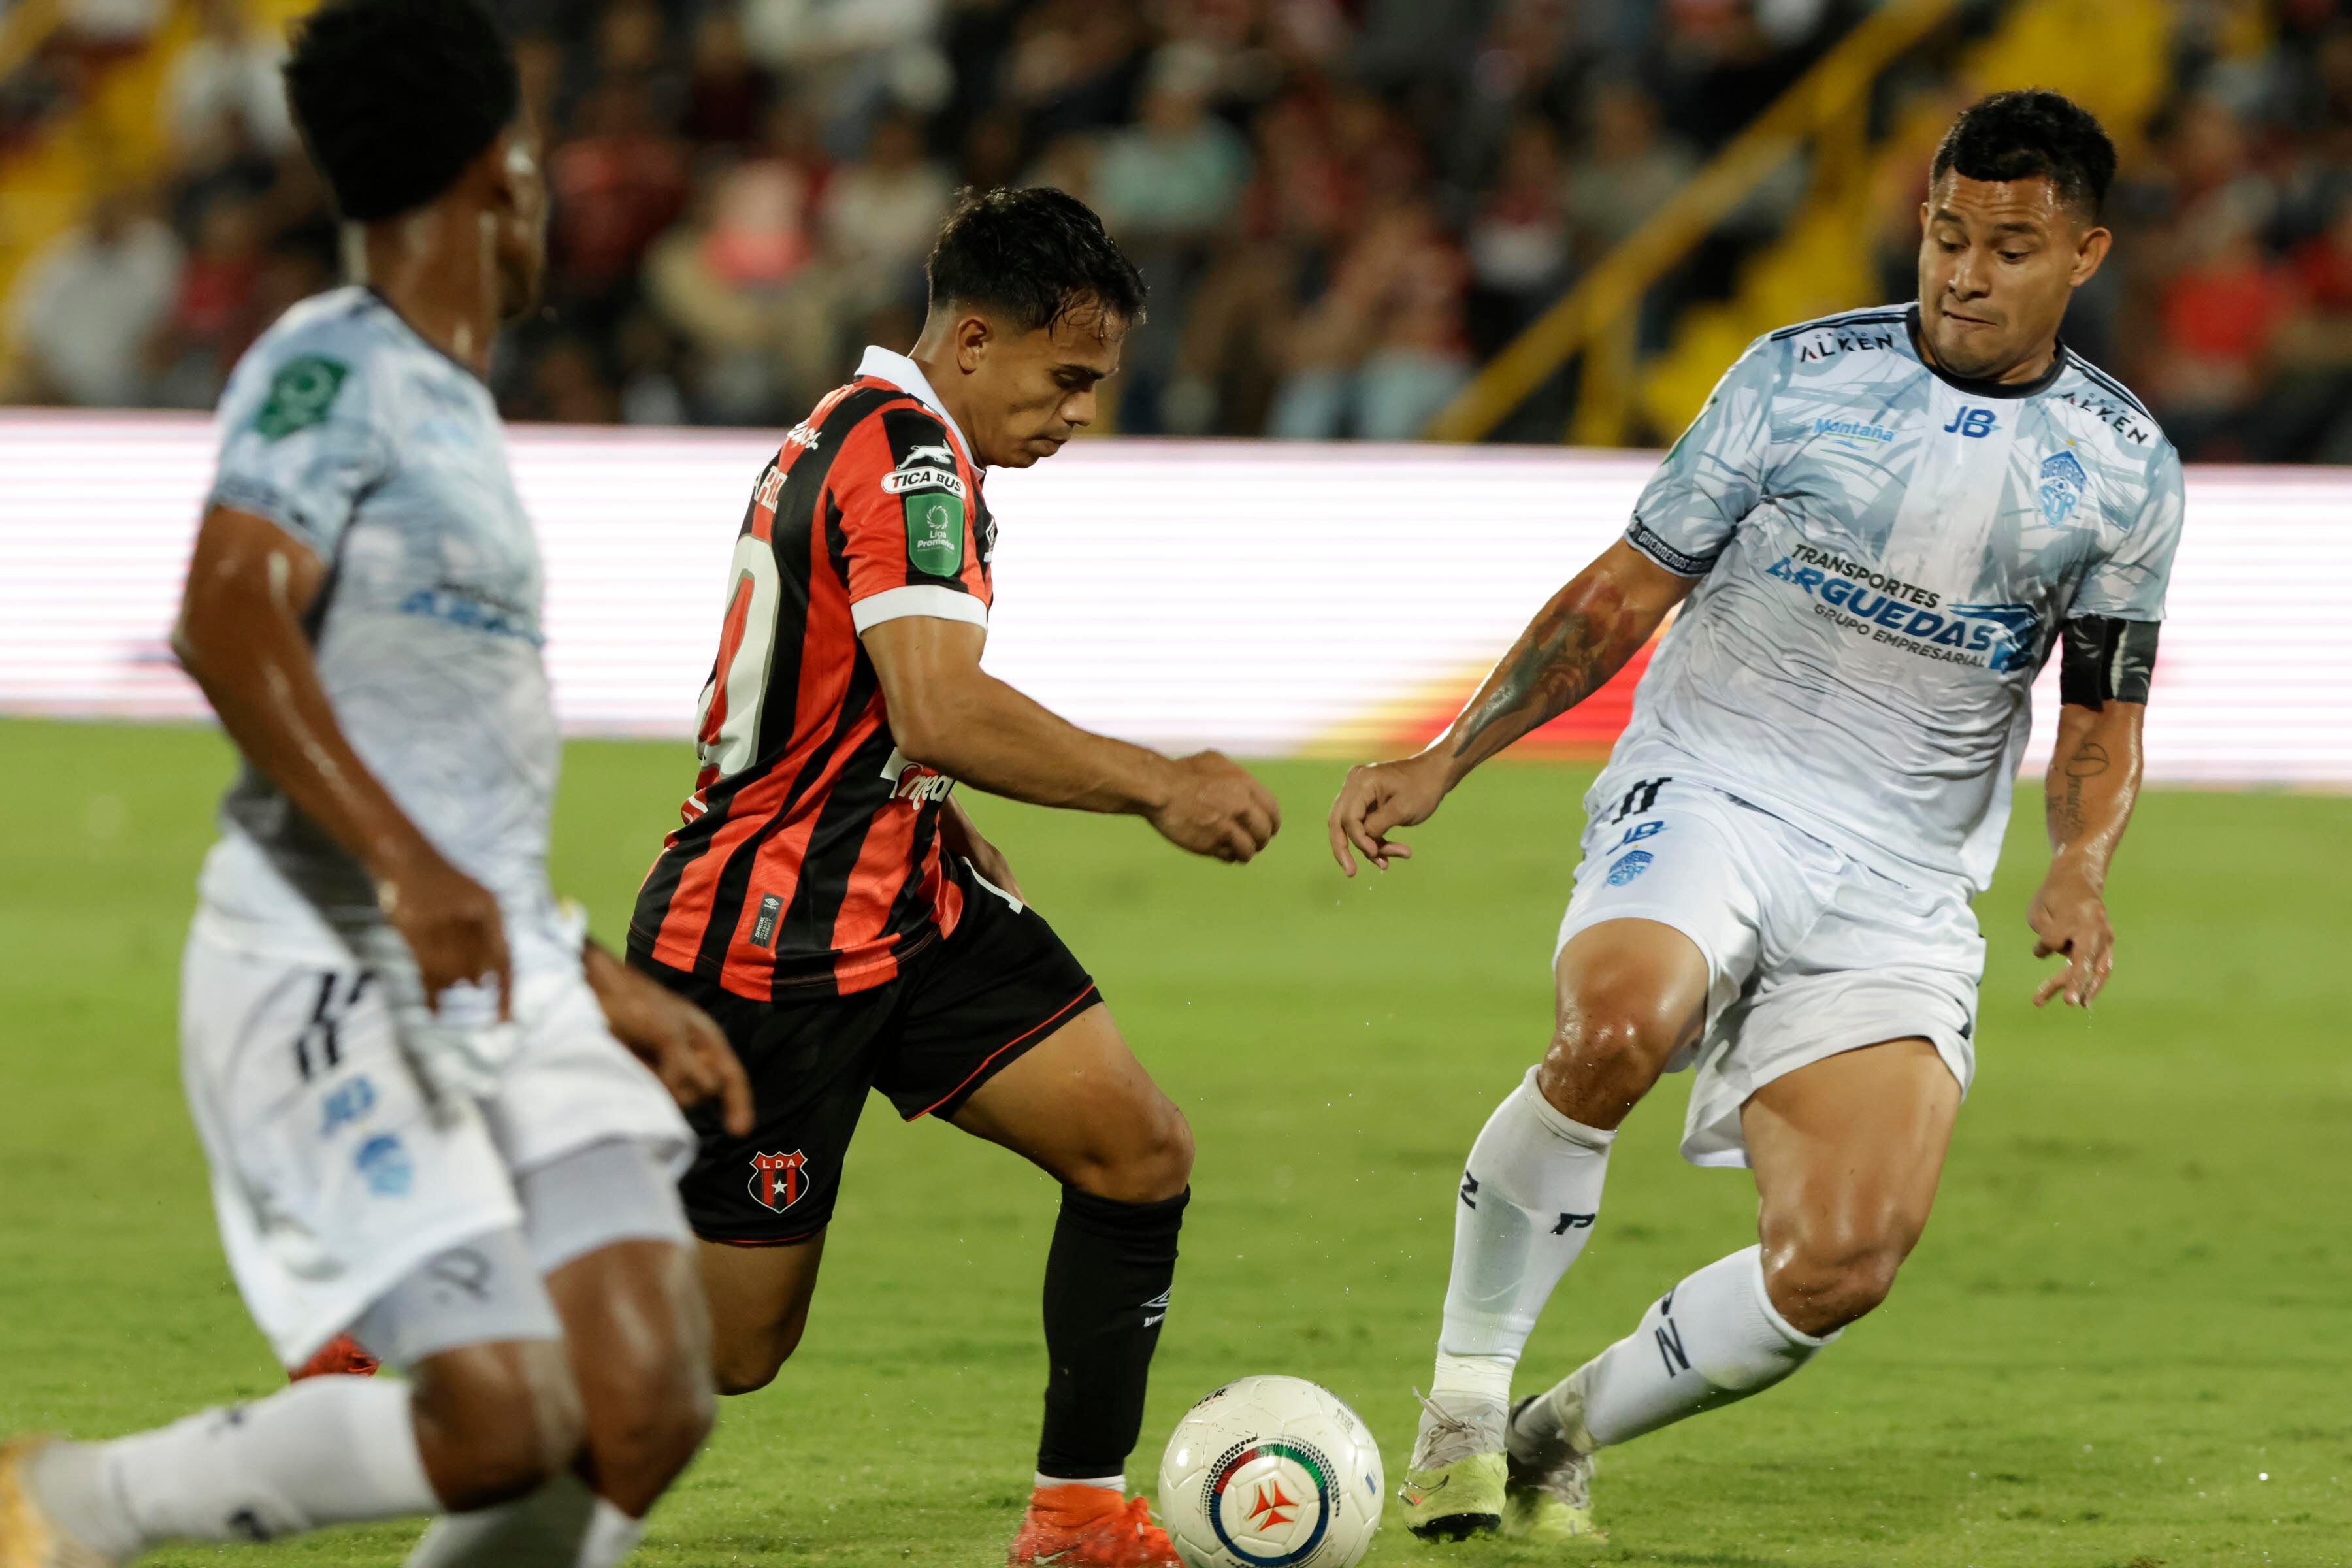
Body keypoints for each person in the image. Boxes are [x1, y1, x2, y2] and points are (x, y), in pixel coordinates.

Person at [1328, 89, 2182, 1543]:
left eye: (2010, 248)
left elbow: (2102, 710)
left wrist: (2081, 869)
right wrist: (1450, 753)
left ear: (2085, 256)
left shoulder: (2124, 469)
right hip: (1717, 781)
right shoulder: (1798, 376)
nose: (1966, 272)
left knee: (1844, 1261)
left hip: (1903, 874)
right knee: (1612, 1031)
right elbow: (1623, 592)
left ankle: (1553, 1436)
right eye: (1946, 233)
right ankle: (1464, 1406)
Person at [0, 3, 751, 1565]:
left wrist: (591, 974)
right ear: (502, 172)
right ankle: (72, 1505)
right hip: (320, 963)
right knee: (503, 1416)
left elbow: (452, 789)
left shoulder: (454, 412)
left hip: (493, 978)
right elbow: (224, 609)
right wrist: (409, 873)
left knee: (648, 1394)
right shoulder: (333, 364)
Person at [627, 185, 1281, 1568]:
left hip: (908, 897)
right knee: (733, 1354)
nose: (1081, 413)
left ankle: (1077, 1517)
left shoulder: (869, 434)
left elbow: (881, 718)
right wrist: (1160, 783)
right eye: (1068, 378)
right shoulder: (913, 459)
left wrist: (914, 797)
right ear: (974, 343)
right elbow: (942, 709)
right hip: (770, 939)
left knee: (1136, 1149)